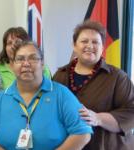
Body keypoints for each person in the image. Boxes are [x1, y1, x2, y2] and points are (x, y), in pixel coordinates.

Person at [0, 40, 92, 150]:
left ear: (42, 64)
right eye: (20, 59)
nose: (26, 63)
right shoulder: (1, 98)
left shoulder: (61, 94)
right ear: (13, 65)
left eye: (33, 58)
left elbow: (82, 133)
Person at [53, 20, 134, 150]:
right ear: (74, 45)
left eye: (95, 42)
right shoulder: (60, 75)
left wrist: (98, 118)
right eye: (84, 41)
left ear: (102, 47)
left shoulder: (118, 77)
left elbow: (131, 112)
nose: (90, 46)